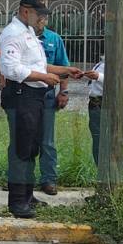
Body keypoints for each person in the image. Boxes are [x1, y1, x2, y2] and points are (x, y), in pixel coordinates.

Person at [0, 0, 81, 218]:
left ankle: (27, 195)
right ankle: (17, 202)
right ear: (26, 11)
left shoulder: (30, 33)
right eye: (39, 14)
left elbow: (39, 64)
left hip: (33, 98)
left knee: (32, 148)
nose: (42, 19)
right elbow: (11, 69)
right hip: (20, 95)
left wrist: (64, 71)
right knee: (21, 150)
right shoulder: (13, 34)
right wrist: (44, 78)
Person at [34, 14, 71, 195]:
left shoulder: (54, 39)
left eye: (42, 19)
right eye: (37, 18)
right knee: (23, 137)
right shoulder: (23, 38)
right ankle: (20, 179)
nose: (40, 22)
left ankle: (49, 180)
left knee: (47, 140)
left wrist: (63, 92)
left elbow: (63, 67)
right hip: (24, 95)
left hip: (47, 95)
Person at [84, 55, 123, 166]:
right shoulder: (105, 60)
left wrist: (98, 76)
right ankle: (104, 176)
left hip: (111, 107)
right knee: (100, 144)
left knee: (114, 146)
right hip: (96, 105)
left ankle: (117, 177)